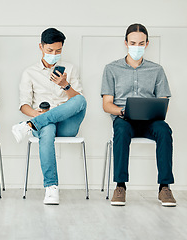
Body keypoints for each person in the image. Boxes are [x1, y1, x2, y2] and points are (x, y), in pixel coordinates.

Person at [101, 23, 176, 207]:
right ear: (126, 43)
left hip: (151, 121)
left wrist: (154, 112)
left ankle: (164, 187)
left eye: (141, 43)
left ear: (147, 44)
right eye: (133, 43)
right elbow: (107, 105)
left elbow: (163, 102)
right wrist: (123, 111)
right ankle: (120, 186)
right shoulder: (111, 69)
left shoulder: (157, 70)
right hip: (124, 119)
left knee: (165, 131)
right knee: (120, 130)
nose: (137, 47)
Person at [12, 28, 87, 205]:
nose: (54, 54)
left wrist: (65, 85)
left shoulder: (69, 69)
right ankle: (51, 188)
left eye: (58, 51)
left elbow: (77, 101)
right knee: (47, 126)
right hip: (44, 122)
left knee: (81, 100)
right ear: (41, 47)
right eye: (50, 50)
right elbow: (24, 105)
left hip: (67, 124)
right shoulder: (29, 72)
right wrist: (35, 114)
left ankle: (29, 126)